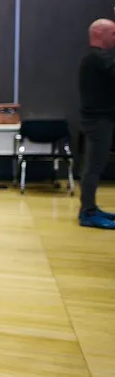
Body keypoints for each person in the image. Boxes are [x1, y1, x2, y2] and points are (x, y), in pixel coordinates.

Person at [78, 18, 115, 229]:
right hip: (98, 121)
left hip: (99, 120)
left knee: (94, 166)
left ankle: (90, 208)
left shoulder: (95, 59)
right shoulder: (97, 59)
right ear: (100, 34)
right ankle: (88, 212)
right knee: (93, 167)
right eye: (113, 34)